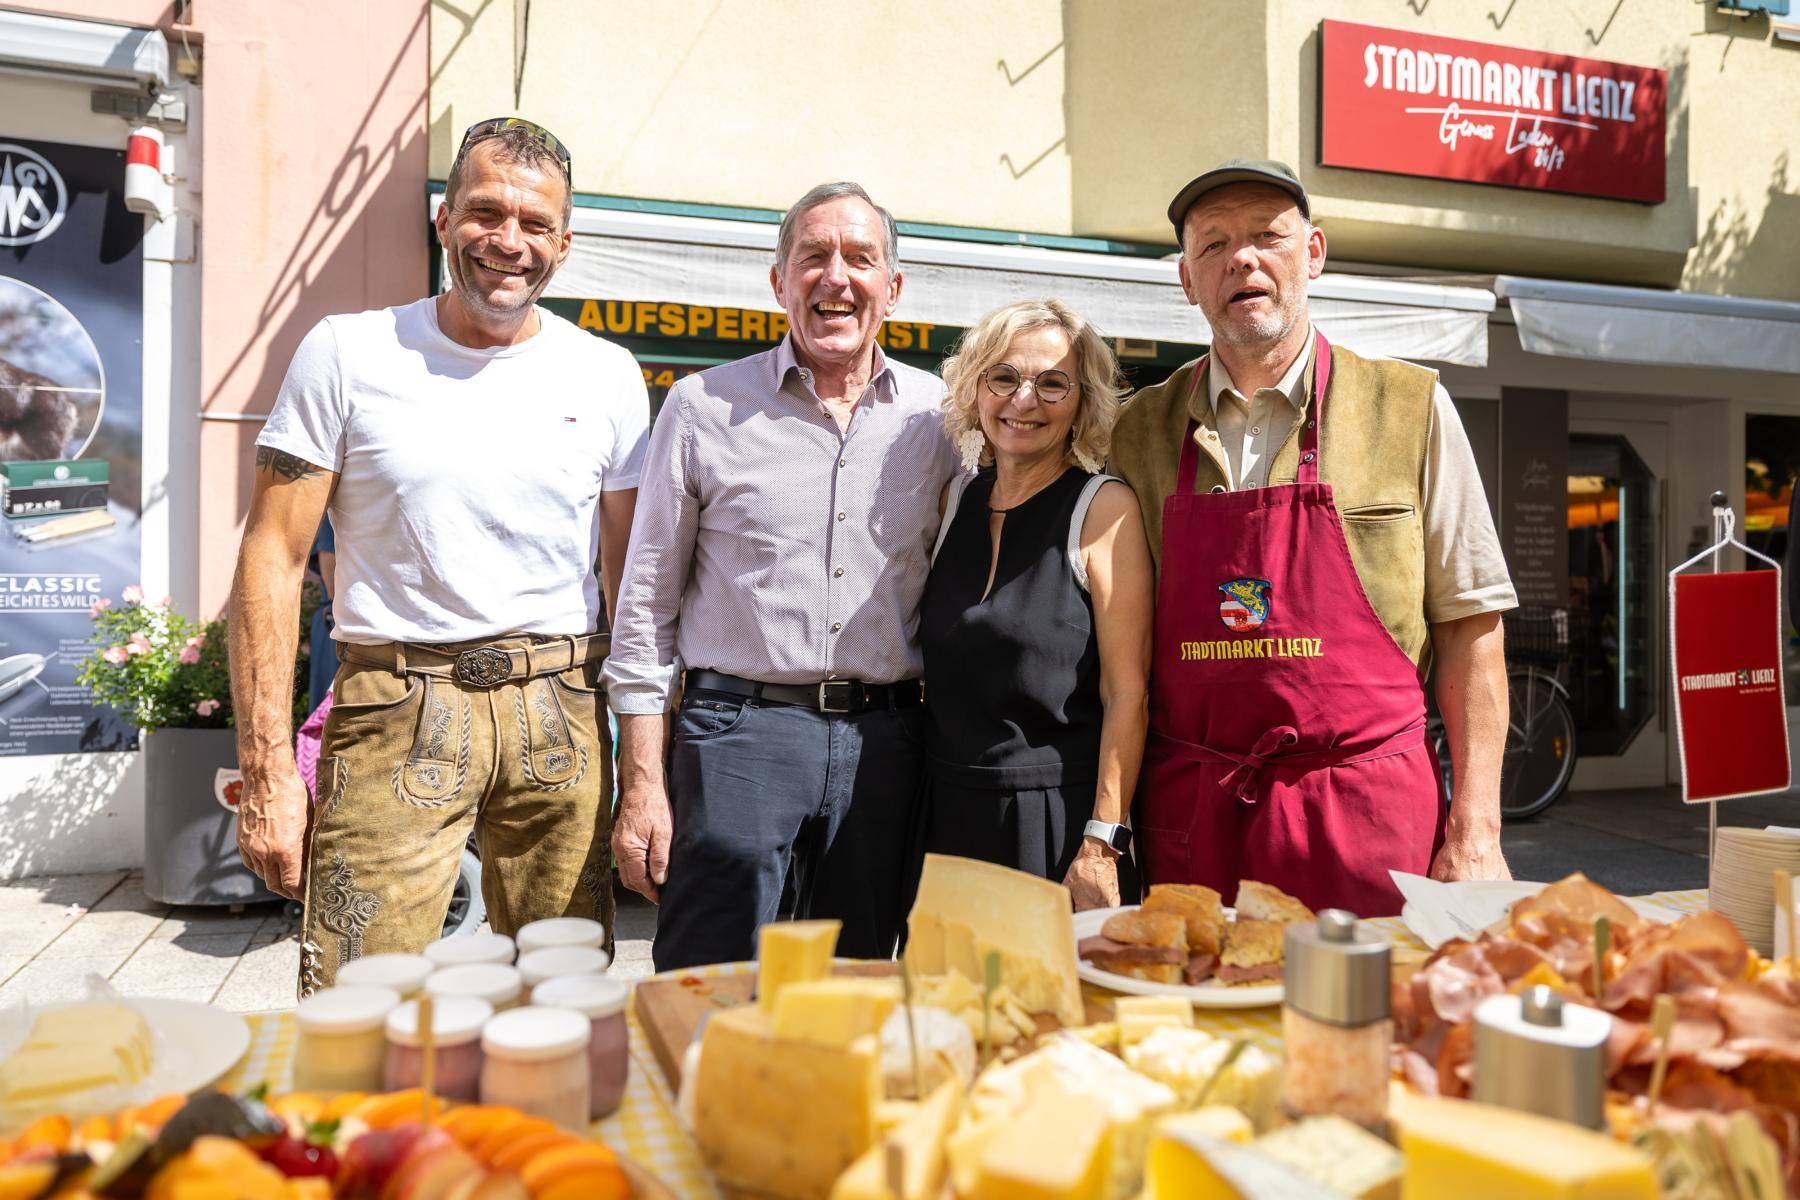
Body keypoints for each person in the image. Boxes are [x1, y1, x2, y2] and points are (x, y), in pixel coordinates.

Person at [229, 118, 649, 994]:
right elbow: (272, 554)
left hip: (561, 713)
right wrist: (269, 768)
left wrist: (649, 766)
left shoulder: (608, 374)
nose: (510, 241)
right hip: (395, 709)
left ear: (564, 243)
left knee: (563, 1003)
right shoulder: (347, 351)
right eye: (486, 213)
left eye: (536, 224)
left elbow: (634, 584)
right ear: (443, 218)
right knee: (358, 1006)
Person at [1108, 159, 1516, 917]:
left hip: (1370, 823)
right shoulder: (1137, 432)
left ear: (1315, 254)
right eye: (1214, 244)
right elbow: (1116, 655)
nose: (1243, 259)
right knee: (1203, 1035)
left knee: (1371, 1031)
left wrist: (1478, 828)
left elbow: (1472, 625)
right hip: (1198, 822)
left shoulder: (1410, 406)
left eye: (1269, 236)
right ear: (1187, 280)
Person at [606, 181, 959, 971]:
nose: (836, 277)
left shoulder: (942, 419)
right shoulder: (701, 406)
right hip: (738, 738)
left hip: (886, 744)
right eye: (813, 257)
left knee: (856, 983)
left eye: (860, 259)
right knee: (708, 981)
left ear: (892, 289)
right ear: (778, 281)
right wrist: (642, 784)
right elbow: (645, 605)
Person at [918, 299, 1152, 911]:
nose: (1025, 401)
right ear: (976, 390)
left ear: (1082, 403)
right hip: (943, 816)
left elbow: (1127, 694)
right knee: (944, 1005)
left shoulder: (1103, 509)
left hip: (1054, 822)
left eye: (1053, 383)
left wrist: (1102, 842)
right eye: (1004, 378)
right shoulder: (953, 502)